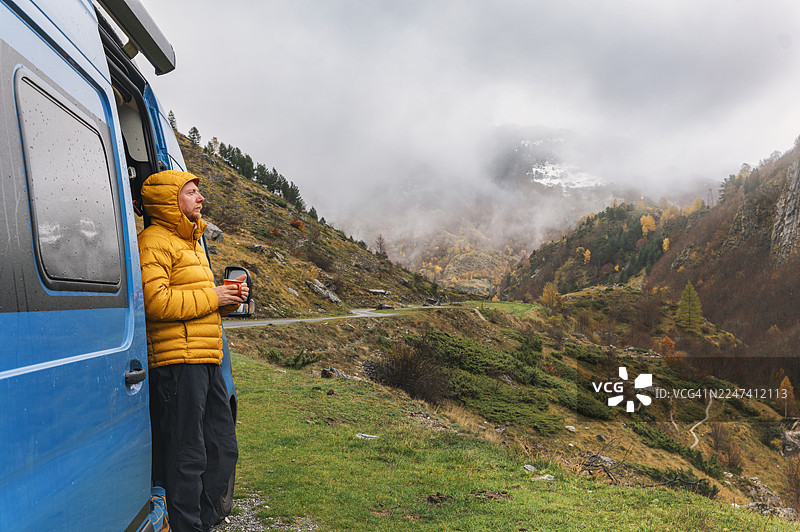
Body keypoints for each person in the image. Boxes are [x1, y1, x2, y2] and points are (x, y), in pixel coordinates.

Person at [138, 170, 247, 531]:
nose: (201, 198)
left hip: (206, 358)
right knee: (188, 454)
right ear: (171, 201)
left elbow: (196, 304)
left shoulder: (191, 243)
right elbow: (156, 302)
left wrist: (228, 301)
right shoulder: (153, 241)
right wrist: (213, 296)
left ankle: (204, 519)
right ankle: (188, 525)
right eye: (192, 192)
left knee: (221, 447)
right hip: (177, 362)